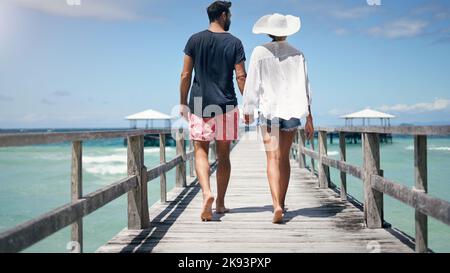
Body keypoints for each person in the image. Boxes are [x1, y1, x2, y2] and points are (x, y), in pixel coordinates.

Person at [243, 13, 315, 224]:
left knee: (271, 159)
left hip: (268, 111)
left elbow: (252, 83)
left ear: (268, 32)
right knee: (284, 159)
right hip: (292, 112)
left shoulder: (259, 52)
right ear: (287, 32)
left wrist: (247, 108)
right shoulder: (298, 54)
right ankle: (281, 204)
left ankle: (276, 205)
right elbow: (306, 87)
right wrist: (309, 117)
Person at [179, 1, 247, 221]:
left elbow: (185, 75)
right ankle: (220, 204)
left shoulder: (194, 40)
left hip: (200, 105)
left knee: (200, 151)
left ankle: (207, 193)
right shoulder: (235, 43)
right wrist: (250, 103)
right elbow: (241, 76)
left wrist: (182, 102)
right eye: (230, 15)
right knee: (224, 155)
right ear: (224, 15)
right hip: (227, 104)